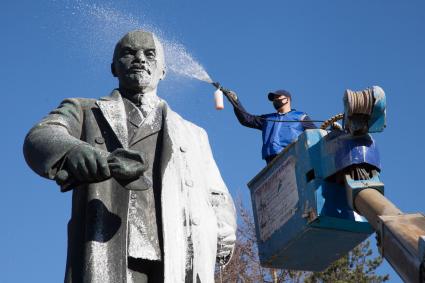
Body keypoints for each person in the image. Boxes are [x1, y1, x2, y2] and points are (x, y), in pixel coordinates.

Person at [23, 30, 236, 283]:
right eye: (128, 53)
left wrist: (222, 236)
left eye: (149, 54)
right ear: (113, 67)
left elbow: (216, 194)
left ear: (163, 71)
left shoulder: (193, 134)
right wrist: (74, 150)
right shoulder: (85, 110)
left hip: (176, 256)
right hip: (106, 247)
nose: (140, 59)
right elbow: (40, 136)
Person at [221, 88, 317, 164]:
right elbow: (246, 119)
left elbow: (317, 134)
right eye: (273, 99)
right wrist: (235, 101)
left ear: (287, 99)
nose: (275, 100)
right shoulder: (267, 119)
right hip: (271, 160)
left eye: (278, 97)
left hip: (293, 155)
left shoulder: (300, 116)